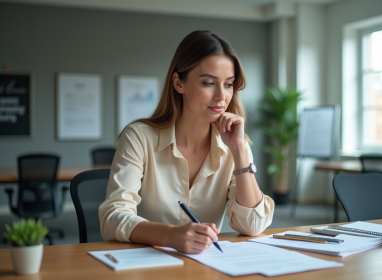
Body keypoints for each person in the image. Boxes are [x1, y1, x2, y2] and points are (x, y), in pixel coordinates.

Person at [99, 30, 274, 254]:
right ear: (178, 83)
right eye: (209, 83)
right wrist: (171, 235)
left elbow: (252, 226)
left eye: (228, 84)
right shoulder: (139, 137)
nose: (221, 96)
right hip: (145, 263)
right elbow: (112, 218)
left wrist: (239, 150)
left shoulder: (235, 145)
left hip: (206, 267)